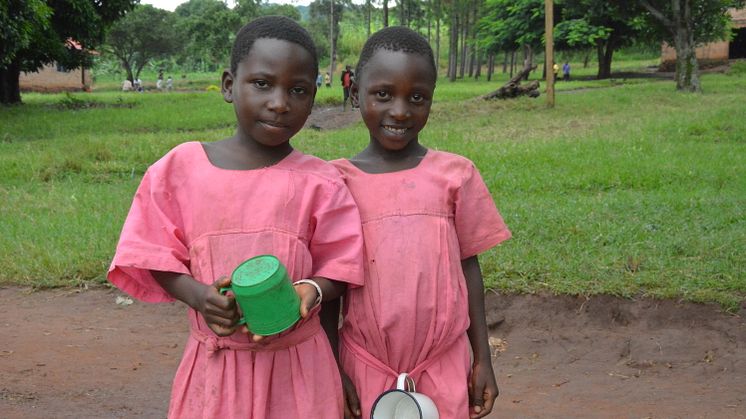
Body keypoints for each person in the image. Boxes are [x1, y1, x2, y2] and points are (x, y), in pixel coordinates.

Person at [108, 16, 364, 419]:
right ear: (230, 85)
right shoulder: (180, 169)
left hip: (298, 371)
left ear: (313, 97)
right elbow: (153, 255)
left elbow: (343, 263)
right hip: (216, 369)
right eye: (262, 84)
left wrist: (312, 289)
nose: (279, 102)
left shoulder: (321, 180)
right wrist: (200, 298)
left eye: (297, 90)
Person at [327, 26, 511, 419]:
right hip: (364, 364)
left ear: (431, 100)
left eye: (416, 98)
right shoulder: (336, 182)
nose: (399, 110)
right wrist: (332, 368)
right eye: (383, 94)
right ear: (356, 92)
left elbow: (469, 269)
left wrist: (483, 358)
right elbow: (331, 283)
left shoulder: (455, 174)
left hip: (445, 362)